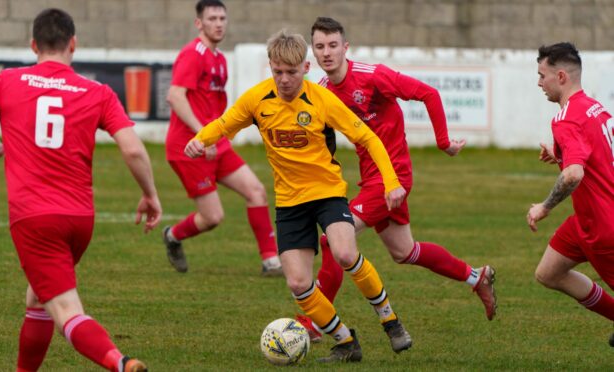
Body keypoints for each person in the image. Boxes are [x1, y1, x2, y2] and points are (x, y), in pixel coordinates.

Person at [185, 29, 411, 362]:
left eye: (292, 72)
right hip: (290, 202)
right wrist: (200, 140)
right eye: (278, 72)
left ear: (306, 68)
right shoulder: (257, 99)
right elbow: (224, 123)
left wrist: (391, 181)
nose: (285, 79)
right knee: (298, 283)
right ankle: (346, 341)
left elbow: (369, 139)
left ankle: (390, 321)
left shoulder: (322, 101)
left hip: (327, 193)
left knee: (345, 253)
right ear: (271, 67)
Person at [298, 16, 498, 342]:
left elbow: (429, 94)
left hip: (394, 178)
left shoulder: (373, 76)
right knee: (405, 252)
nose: (327, 52)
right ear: (314, 52)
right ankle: (477, 278)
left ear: (345, 47)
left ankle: (315, 324)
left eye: (333, 45)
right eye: (320, 46)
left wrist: (444, 142)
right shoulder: (322, 91)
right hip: (370, 179)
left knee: (333, 242)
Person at [0, 8, 161, 371]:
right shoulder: (98, 92)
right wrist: (150, 194)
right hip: (80, 220)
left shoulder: (6, 81)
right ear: (74, 44)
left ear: (33, 44)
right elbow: (132, 148)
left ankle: (120, 362)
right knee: (38, 297)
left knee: (66, 311)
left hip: (35, 219)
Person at [163, 0, 281, 275]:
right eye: (212, 18)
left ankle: (270, 261)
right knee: (213, 217)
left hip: (215, 143)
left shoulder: (219, 58)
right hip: (189, 147)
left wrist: (217, 136)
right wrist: (204, 137)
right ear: (199, 23)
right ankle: (173, 236)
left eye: (222, 18)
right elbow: (175, 97)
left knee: (256, 191)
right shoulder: (193, 54)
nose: (218, 23)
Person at [527, 42, 614, 346]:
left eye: (542, 75)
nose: (539, 83)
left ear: (560, 76)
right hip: (586, 221)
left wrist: (545, 206)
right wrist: (561, 154)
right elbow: (596, 156)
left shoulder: (565, 119)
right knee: (549, 272)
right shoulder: (595, 107)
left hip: (603, 227)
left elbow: (574, 174)